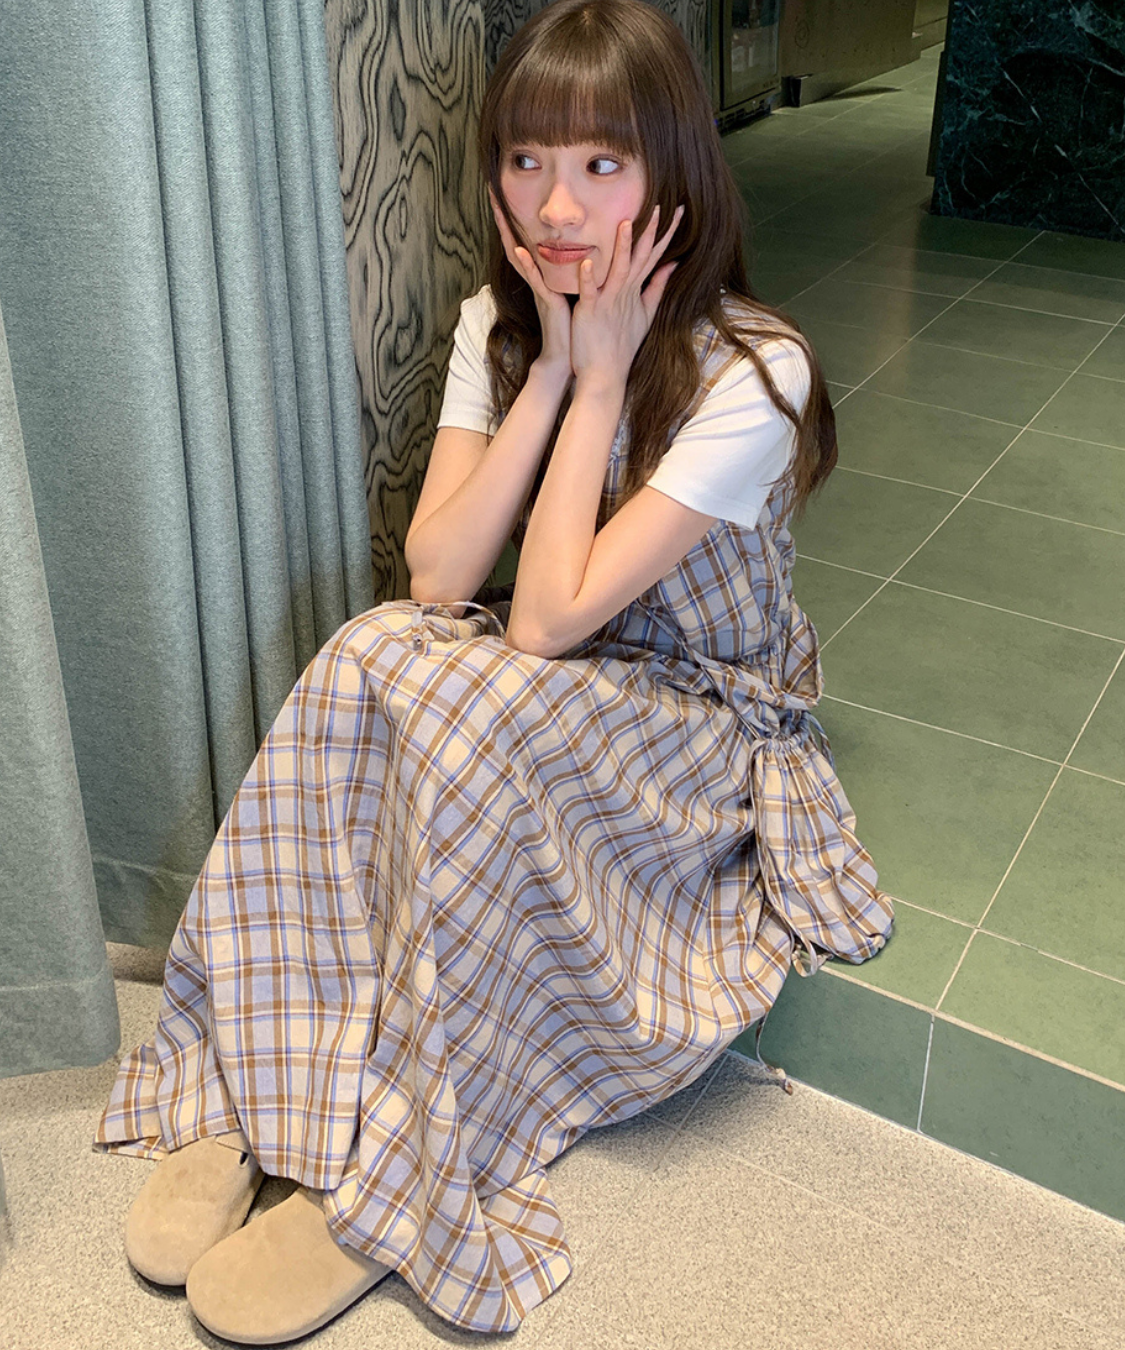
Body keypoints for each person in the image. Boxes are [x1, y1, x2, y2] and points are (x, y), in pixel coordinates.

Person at [95, 0, 894, 1341]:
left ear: (673, 172)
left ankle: (396, 1175)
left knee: (471, 719)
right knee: (366, 653)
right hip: (559, 674)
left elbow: (548, 617)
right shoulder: (497, 321)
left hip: (690, 721)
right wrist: (551, 368)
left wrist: (605, 383)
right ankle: (262, 1074)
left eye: (602, 163)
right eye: (527, 160)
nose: (558, 206)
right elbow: (440, 573)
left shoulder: (757, 368)